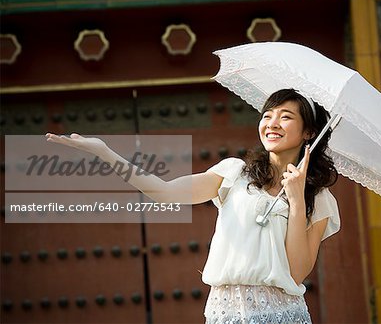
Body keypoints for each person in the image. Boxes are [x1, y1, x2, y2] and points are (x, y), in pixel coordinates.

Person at [45, 88, 340, 324]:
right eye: (267, 115)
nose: (272, 123)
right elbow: (163, 191)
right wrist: (106, 153)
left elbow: (298, 272)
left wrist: (298, 199)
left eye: (285, 117)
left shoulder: (319, 197)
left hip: (281, 313)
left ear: (308, 133)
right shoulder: (235, 173)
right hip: (225, 311)